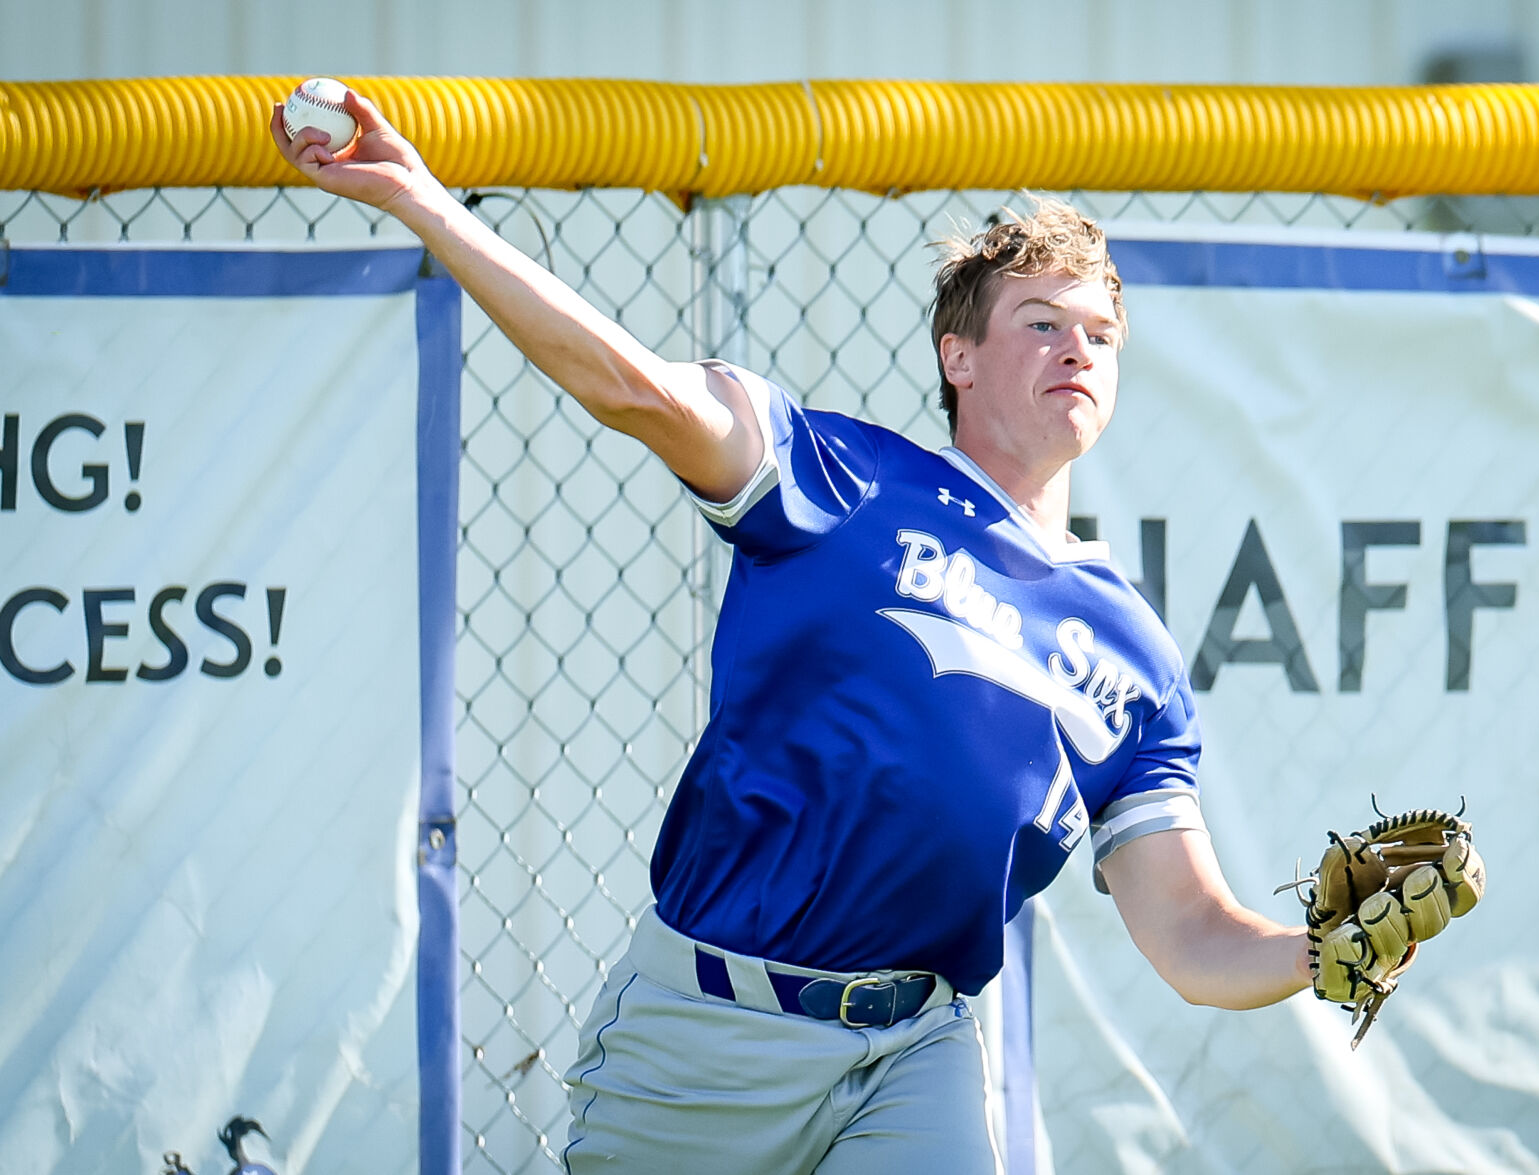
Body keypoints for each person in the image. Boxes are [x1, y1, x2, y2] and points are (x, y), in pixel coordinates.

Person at [274, 90, 1311, 1173]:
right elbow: (629, 387)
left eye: (1098, 331)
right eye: (1040, 322)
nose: (1077, 349)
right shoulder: (843, 476)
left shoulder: (1132, 650)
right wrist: (427, 203)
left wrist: (1320, 949)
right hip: (711, 1031)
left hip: (916, 1043)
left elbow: (1192, 935)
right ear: (958, 357)